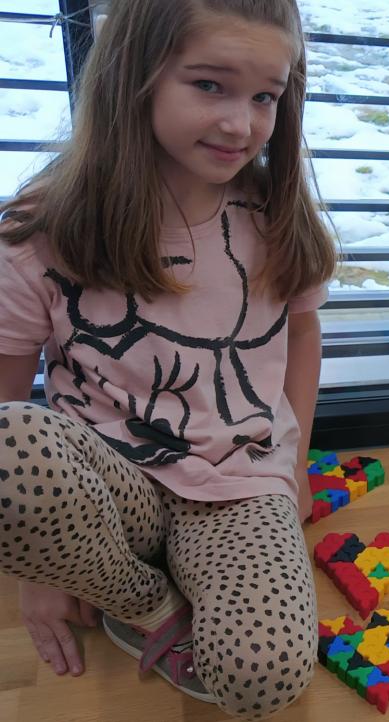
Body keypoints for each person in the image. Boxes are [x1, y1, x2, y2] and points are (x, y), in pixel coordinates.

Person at [0, 0, 337, 717]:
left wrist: (295, 467)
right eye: (209, 85)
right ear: (136, 76)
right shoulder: (41, 227)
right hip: (109, 481)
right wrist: (37, 570)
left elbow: (304, 333)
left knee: (264, 678)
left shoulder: (275, 212)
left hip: (237, 482)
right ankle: (145, 603)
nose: (241, 124)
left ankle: (144, 584)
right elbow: (7, 394)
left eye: (265, 97)